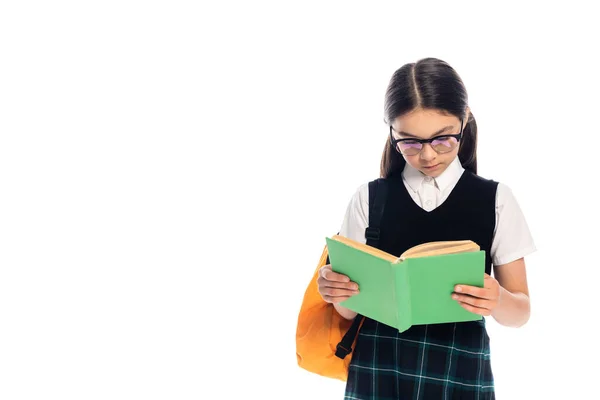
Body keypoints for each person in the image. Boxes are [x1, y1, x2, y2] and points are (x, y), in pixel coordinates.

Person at [316, 58, 535, 399]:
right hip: (379, 367)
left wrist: (496, 299)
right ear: (392, 132)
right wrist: (337, 294)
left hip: (459, 368)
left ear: (464, 120)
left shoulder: (496, 200)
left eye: (443, 139)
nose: (428, 155)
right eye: (410, 142)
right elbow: (347, 310)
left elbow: (520, 313)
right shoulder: (369, 199)